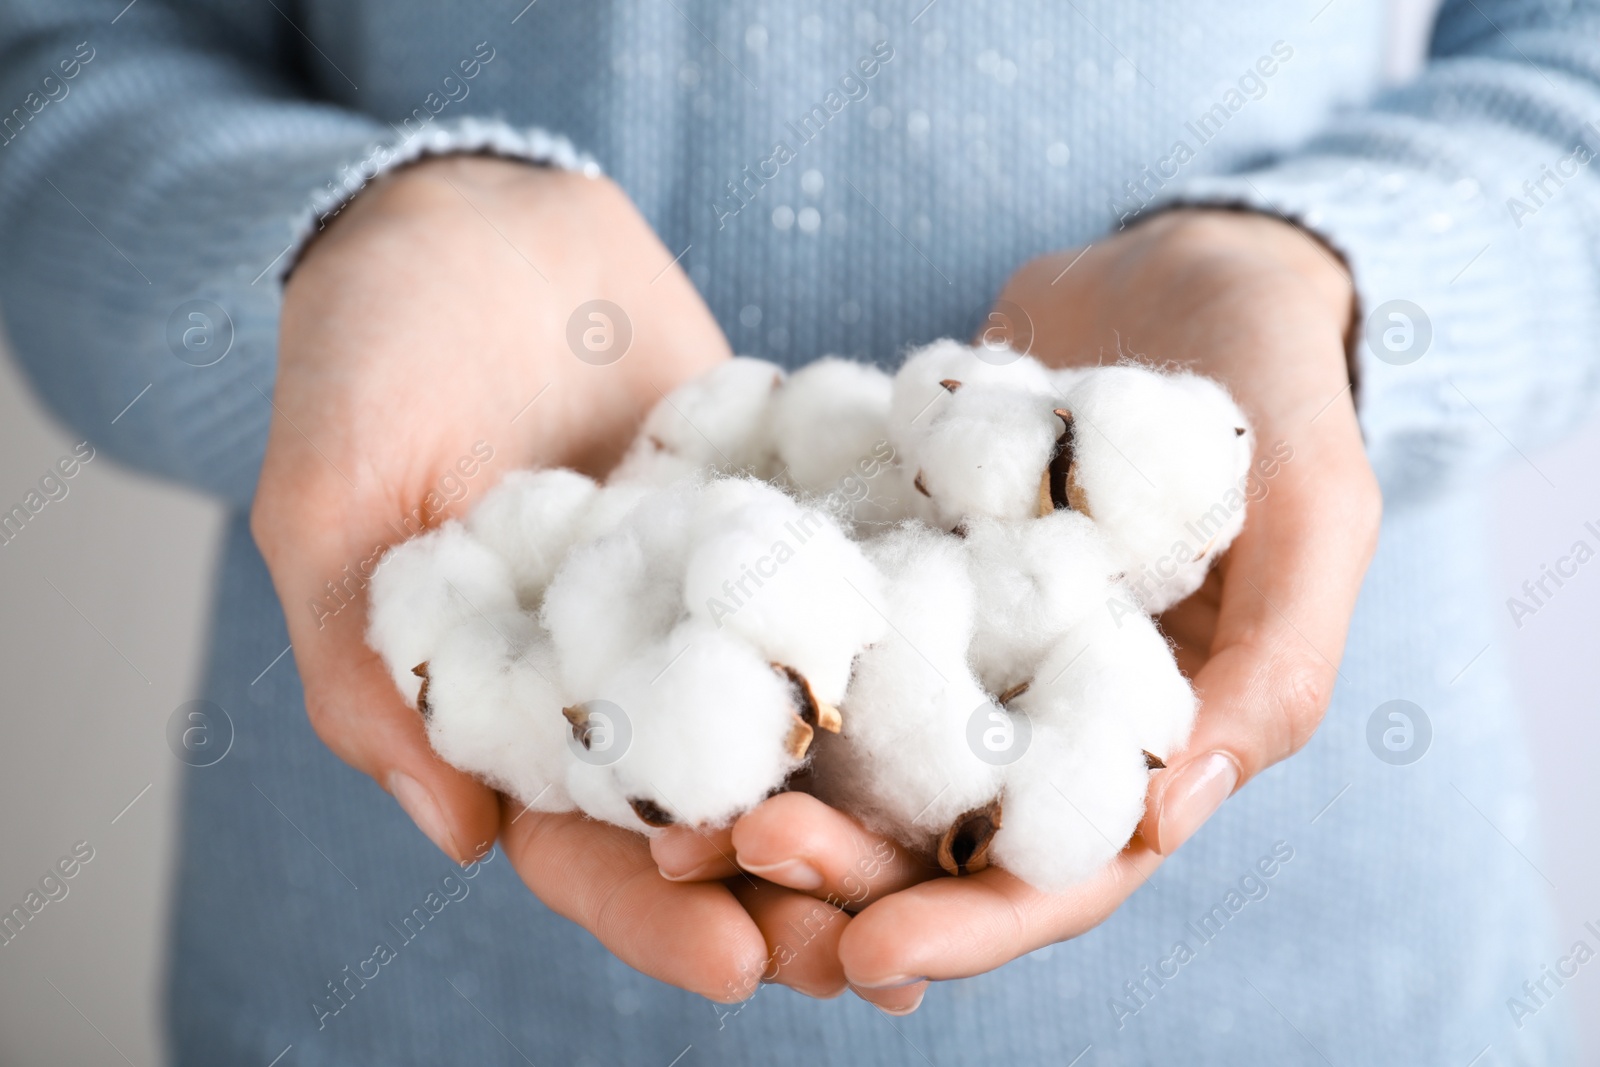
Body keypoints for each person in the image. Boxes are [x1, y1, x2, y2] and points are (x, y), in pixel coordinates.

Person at [1, 0, 1592, 1062]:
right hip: (394, 996)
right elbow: (58, 59)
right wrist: (335, 244)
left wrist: (1330, 277)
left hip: (1313, 991)